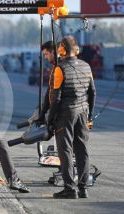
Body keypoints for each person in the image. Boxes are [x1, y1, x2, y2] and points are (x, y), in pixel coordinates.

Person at [48, 36, 96, 199]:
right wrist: (89, 115)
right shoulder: (86, 66)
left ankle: (69, 189)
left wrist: (50, 119)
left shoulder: (59, 69)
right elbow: (92, 93)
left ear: (61, 50)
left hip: (66, 114)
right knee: (82, 150)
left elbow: (56, 98)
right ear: (76, 50)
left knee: (66, 150)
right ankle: (83, 188)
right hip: (83, 111)